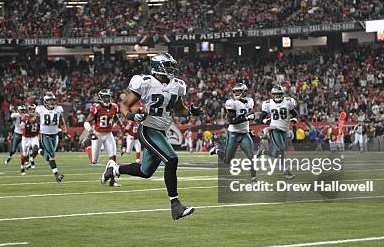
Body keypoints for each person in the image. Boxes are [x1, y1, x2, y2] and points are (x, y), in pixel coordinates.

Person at [100, 53, 200, 220]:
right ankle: (175, 205)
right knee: (171, 159)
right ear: (158, 67)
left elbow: (178, 108)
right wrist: (131, 116)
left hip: (161, 131)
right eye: (168, 66)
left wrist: (190, 112)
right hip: (148, 129)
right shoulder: (145, 82)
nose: (171, 69)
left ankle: (114, 169)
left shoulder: (177, 85)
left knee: (145, 171)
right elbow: (124, 105)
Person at [210, 83, 257, 182]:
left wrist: (249, 128)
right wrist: (247, 118)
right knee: (227, 160)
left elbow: (249, 115)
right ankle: (217, 150)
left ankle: (254, 178)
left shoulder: (250, 102)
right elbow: (231, 121)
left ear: (244, 92)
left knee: (251, 156)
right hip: (234, 133)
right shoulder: (232, 103)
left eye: (239, 91)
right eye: (235, 91)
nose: (236, 93)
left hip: (244, 133)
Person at [84, 88, 122, 186]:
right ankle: (88, 147)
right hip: (97, 134)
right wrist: (90, 131)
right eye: (105, 97)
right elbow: (87, 122)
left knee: (113, 158)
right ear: (100, 98)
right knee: (94, 160)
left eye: (108, 97)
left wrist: (122, 126)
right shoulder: (96, 107)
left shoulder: (114, 106)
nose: (107, 99)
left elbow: (116, 118)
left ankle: (112, 181)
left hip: (108, 134)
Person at [261, 85, 299, 179]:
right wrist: (266, 121)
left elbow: (295, 114)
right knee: (281, 149)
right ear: (272, 94)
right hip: (274, 128)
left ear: (282, 94)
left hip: (285, 129)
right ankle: (286, 172)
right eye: (275, 94)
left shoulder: (288, 101)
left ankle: (265, 152)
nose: (277, 96)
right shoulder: (268, 103)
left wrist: (294, 119)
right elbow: (261, 116)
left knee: (276, 153)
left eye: (279, 94)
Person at [35, 92, 66, 182]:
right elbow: (35, 119)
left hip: (55, 135)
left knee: (50, 156)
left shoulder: (58, 109)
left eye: (53, 100)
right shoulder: (40, 109)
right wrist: (33, 119)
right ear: (45, 101)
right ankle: (57, 175)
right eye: (49, 100)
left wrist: (64, 132)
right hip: (45, 135)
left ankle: (41, 151)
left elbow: (61, 122)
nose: (52, 102)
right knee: (52, 155)